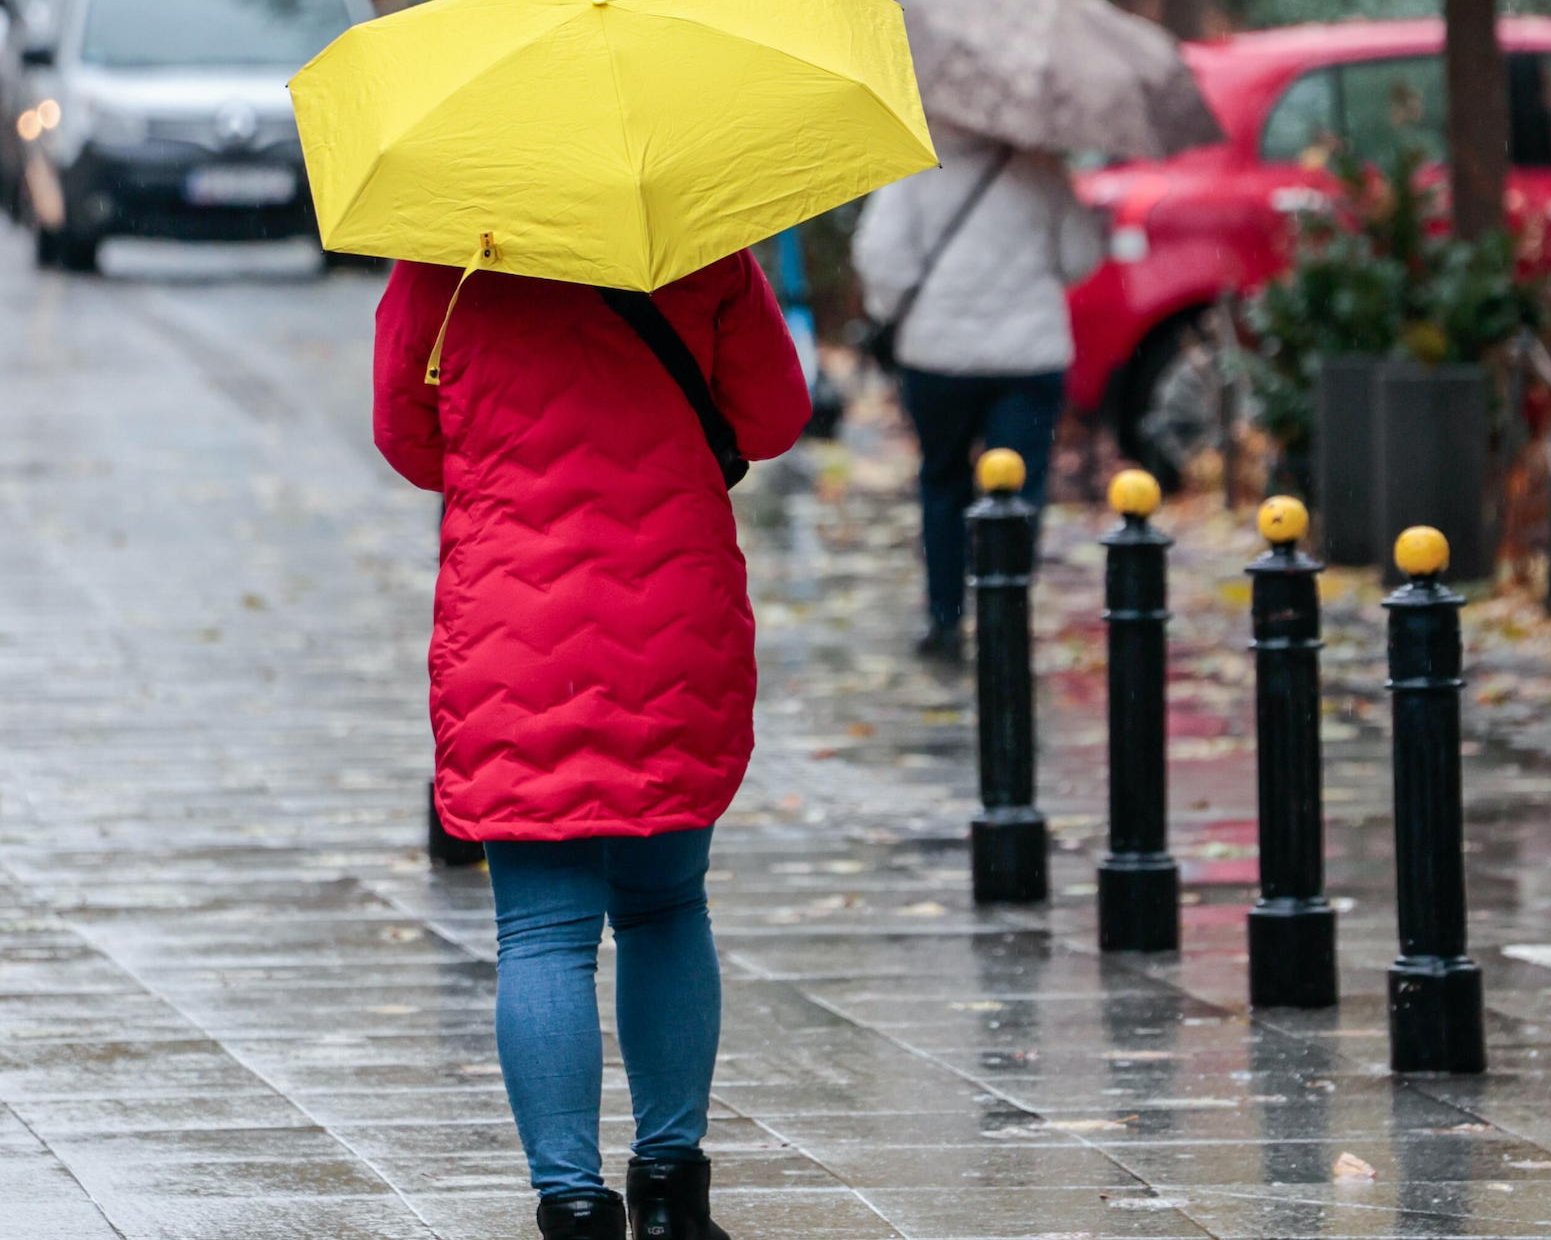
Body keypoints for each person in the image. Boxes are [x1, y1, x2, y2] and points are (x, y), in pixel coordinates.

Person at [374, 252, 810, 1240]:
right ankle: (670, 1194)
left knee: (540, 931)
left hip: (513, 617)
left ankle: (570, 1207)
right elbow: (775, 418)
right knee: (665, 904)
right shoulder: (698, 239)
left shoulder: (443, 256)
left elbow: (407, 438)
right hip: (670, 608)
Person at [854, 123, 1105, 664]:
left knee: (943, 481)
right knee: (1019, 490)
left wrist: (898, 312)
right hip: (1028, 357)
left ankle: (945, 620)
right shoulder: (1041, 166)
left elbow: (881, 258)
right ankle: (1005, 612)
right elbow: (1079, 258)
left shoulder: (914, 164)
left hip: (936, 357)